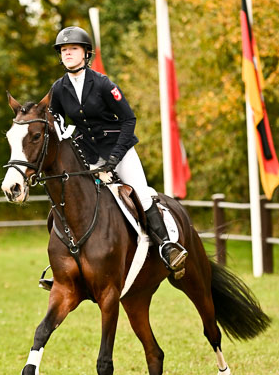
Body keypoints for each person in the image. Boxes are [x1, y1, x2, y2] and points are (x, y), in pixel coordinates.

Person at [49, 25, 187, 274]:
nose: (68, 53)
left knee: (142, 195)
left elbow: (129, 120)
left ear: (86, 54)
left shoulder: (102, 84)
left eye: (73, 49)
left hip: (118, 151)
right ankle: (64, 263)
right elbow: (56, 120)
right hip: (86, 154)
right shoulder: (58, 89)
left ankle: (168, 247)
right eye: (64, 50)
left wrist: (113, 160)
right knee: (70, 200)